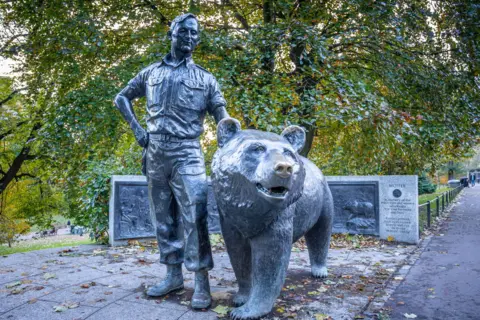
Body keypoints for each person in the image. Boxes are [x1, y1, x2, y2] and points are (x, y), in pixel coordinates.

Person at [114, 13, 229, 309]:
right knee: (162, 217)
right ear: (172, 34)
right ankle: (172, 275)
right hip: (154, 152)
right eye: (184, 32)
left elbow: (222, 117)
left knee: (196, 215)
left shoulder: (206, 78)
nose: (189, 37)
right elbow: (121, 98)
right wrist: (137, 128)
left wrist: (230, 140)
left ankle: (201, 281)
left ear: (198, 40)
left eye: (195, 34)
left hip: (188, 152)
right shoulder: (151, 72)